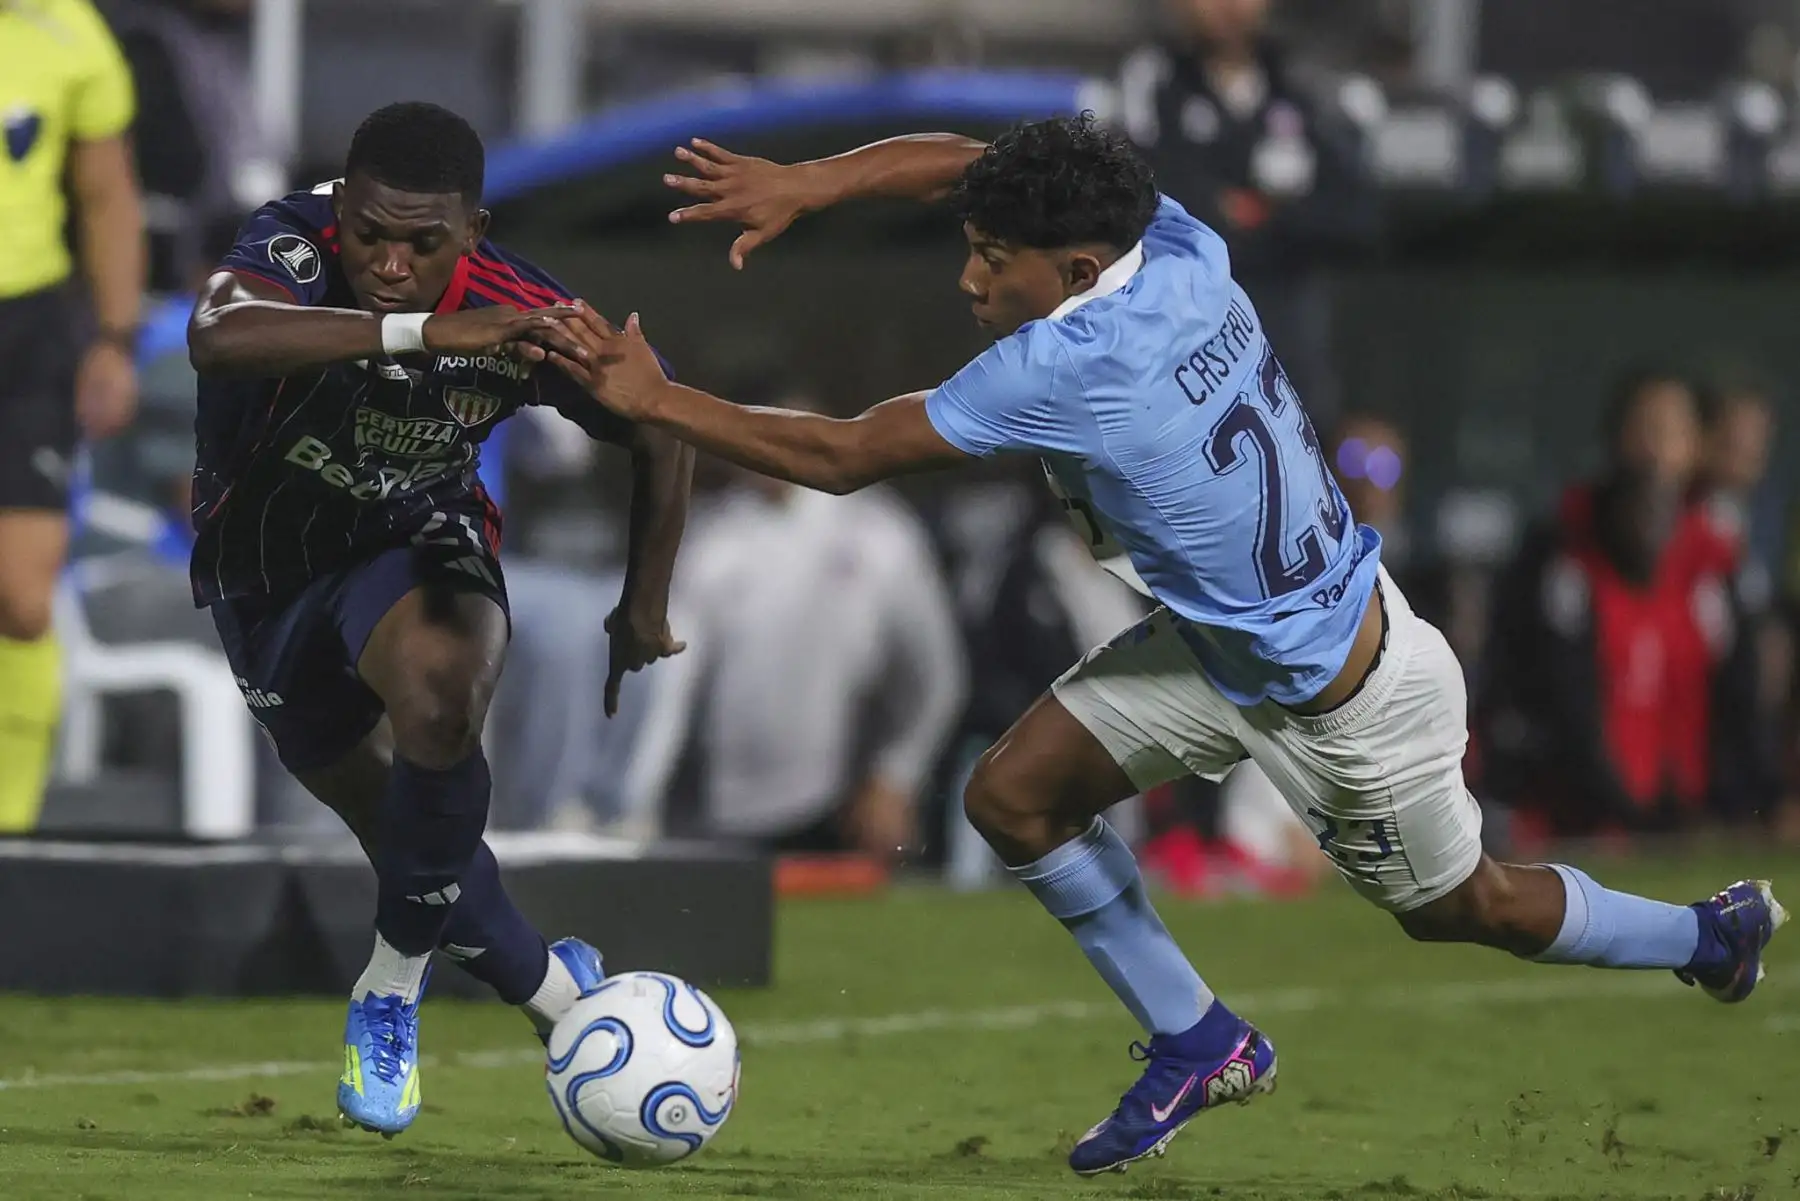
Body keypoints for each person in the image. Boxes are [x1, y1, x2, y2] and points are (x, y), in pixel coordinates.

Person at [549, 116, 1785, 1176]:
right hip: (1228, 644)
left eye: (992, 261)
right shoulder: (1177, 243)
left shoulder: (1070, 365)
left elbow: (843, 454)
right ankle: (1200, 1038)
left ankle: (1706, 937)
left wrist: (657, 400)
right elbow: (979, 162)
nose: (970, 280)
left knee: (1471, 907)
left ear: (1077, 270)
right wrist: (812, 184)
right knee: (1011, 798)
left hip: (1347, 705)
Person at [184, 102, 693, 1137]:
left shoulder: (526, 311)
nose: (389, 262)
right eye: (370, 233)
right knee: (406, 834)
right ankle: (561, 994)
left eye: (423, 244)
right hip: (264, 570)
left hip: (417, 535)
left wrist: (643, 601)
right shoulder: (291, 241)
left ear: (474, 229)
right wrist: (420, 329)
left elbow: (661, 425)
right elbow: (215, 334)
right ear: (342, 207)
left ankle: (387, 989)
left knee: (444, 696)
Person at [0, 0, 145, 832]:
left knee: (23, 599)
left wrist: (114, 340)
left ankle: (11, 837)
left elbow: (107, 196)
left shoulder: (67, 27)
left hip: (27, 333)